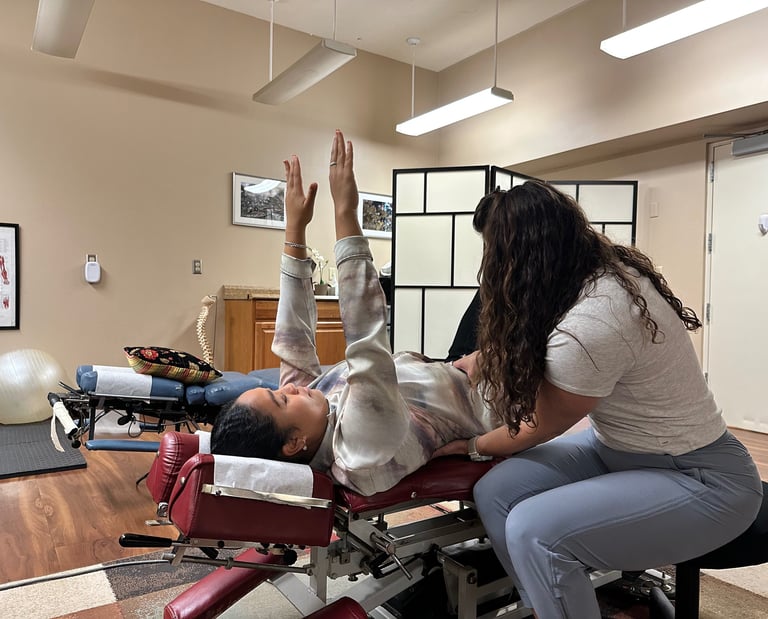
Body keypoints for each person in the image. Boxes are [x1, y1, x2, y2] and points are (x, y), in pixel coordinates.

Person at [434, 182, 764, 618]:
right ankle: (547, 605)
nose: (492, 266)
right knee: (496, 491)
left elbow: (537, 426)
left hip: (702, 477)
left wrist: (472, 446)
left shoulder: (597, 318)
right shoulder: (587, 277)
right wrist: (484, 357)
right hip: (617, 447)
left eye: (495, 253)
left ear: (529, 256)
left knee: (535, 530)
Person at [211, 130, 502, 496]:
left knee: (500, 281)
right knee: (517, 281)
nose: (290, 388)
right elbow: (366, 338)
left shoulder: (312, 408)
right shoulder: (359, 451)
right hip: (493, 392)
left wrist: (295, 227)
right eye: (282, 399)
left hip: (453, 367)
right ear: (294, 443)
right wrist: (345, 214)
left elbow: (293, 335)